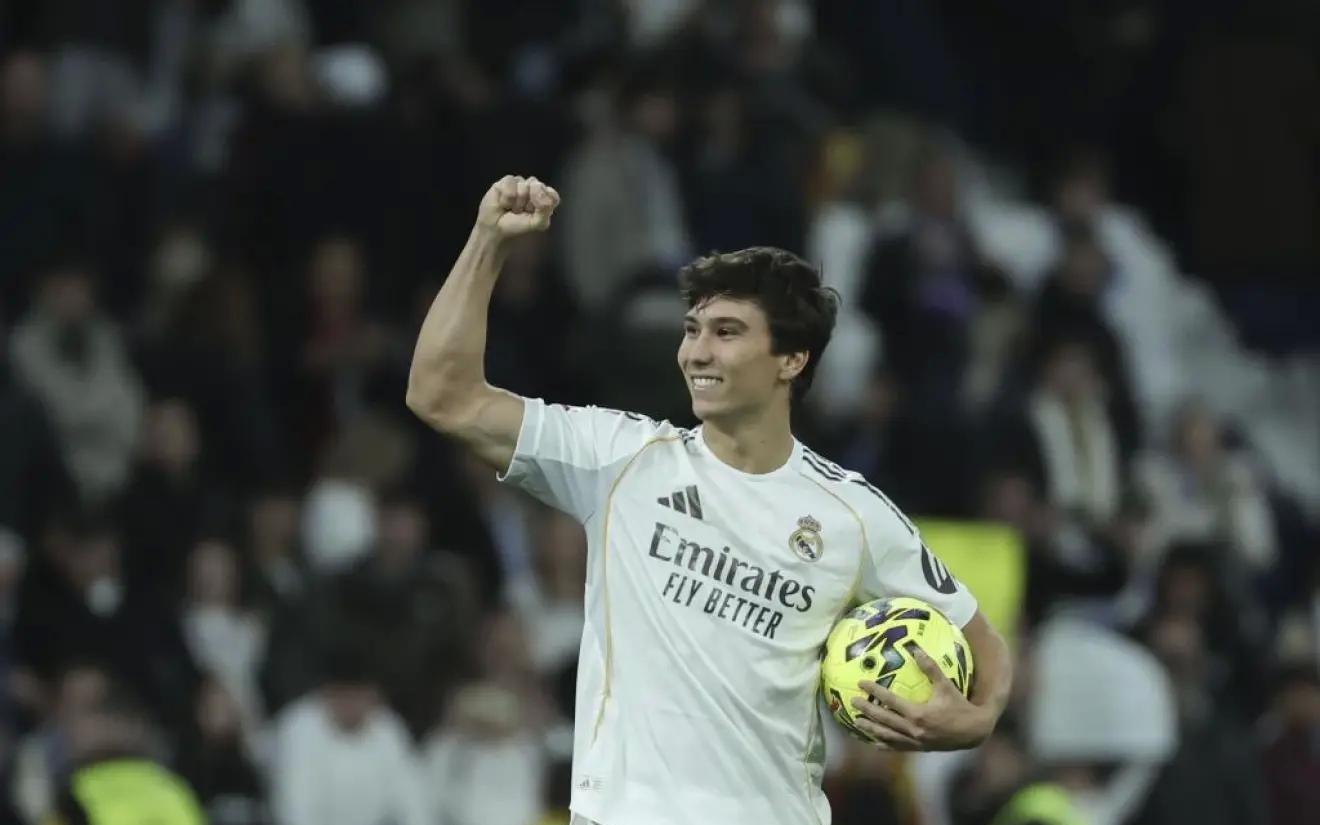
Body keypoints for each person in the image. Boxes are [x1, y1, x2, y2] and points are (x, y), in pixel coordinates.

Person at [406, 175, 1013, 825]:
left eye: (726, 332)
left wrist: (974, 720)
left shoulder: (853, 515)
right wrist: (488, 241)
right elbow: (443, 394)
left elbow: (984, 643)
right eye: (692, 329)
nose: (696, 351)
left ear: (791, 359)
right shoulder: (620, 458)